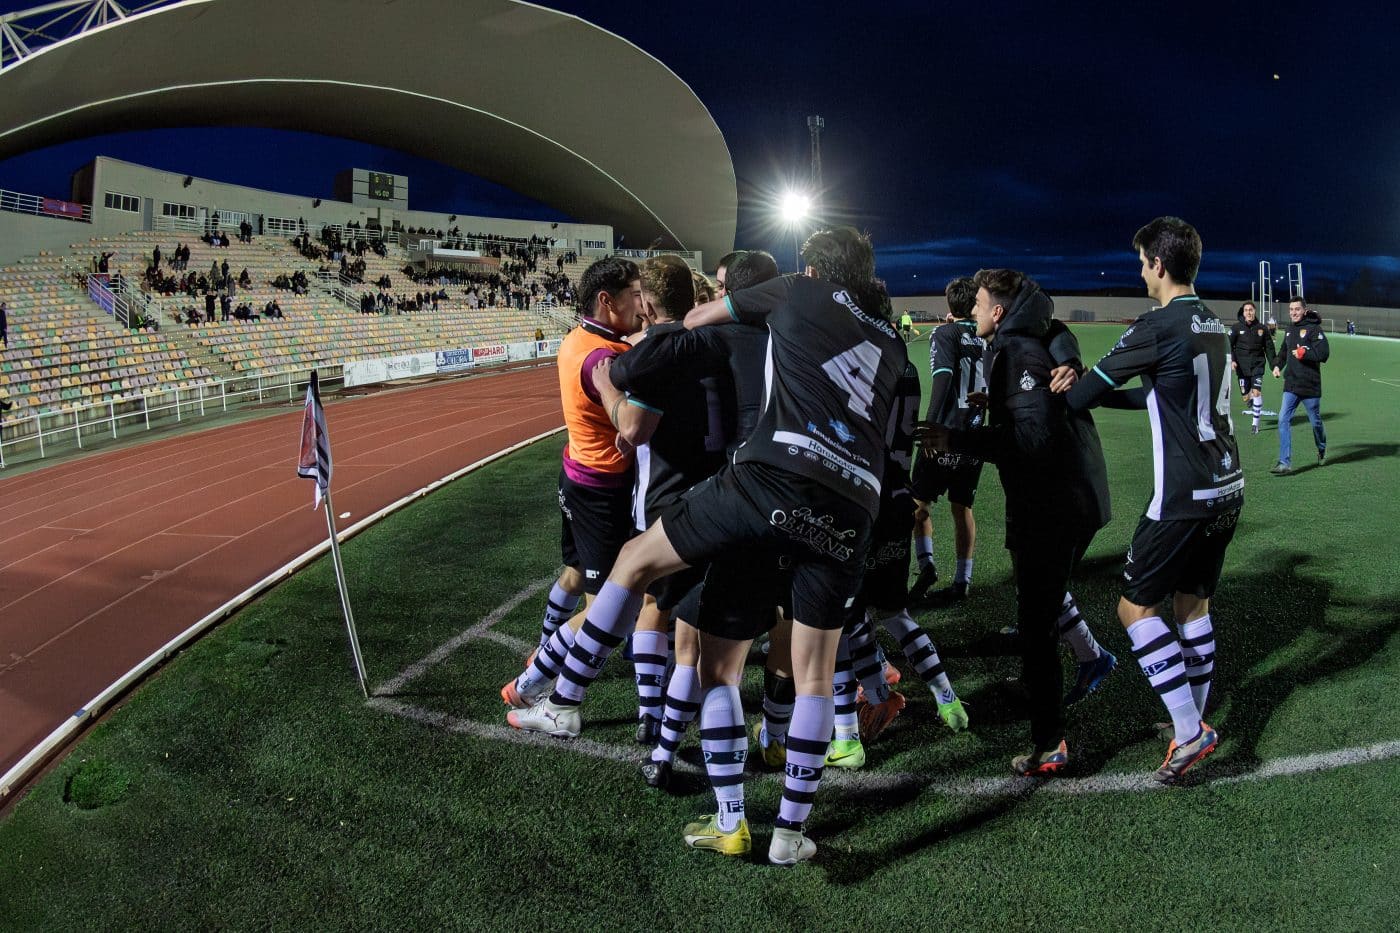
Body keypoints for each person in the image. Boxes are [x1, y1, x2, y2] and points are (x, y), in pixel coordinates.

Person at [505, 227, 907, 865]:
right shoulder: (891, 340)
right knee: (813, 677)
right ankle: (790, 834)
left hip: (773, 477)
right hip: (854, 507)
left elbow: (698, 317)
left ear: (812, 268)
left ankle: (565, 698)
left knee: (640, 571)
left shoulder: (797, 294)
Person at [1063, 216, 1241, 784]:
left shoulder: (1157, 324)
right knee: (1194, 605)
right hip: (1228, 486)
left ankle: (1190, 732)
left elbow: (1084, 394)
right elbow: (1159, 394)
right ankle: (1192, 714)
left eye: (1142, 262)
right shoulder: (1215, 322)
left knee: (1133, 609)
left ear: (1158, 265)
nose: (1140, 272)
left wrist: (1073, 383)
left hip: (1183, 497)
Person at [922, 269, 1111, 776]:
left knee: (1035, 627)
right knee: (1041, 608)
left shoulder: (1018, 352)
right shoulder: (1022, 341)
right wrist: (1003, 408)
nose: (975, 311)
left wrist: (957, 440)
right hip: (1070, 501)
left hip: (1053, 508)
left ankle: (1050, 743)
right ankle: (1088, 662)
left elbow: (1031, 443)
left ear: (999, 312)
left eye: (981, 303)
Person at [500, 258, 644, 706]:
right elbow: (634, 425)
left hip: (575, 475)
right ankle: (538, 689)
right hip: (602, 489)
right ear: (607, 300)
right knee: (604, 607)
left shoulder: (576, 339)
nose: (642, 306)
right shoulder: (606, 360)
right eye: (635, 296)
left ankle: (543, 645)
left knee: (574, 572)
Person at [909, 276, 985, 604]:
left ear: (950, 303)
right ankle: (962, 581)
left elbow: (944, 377)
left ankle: (926, 565)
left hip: (945, 433)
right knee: (962, 507)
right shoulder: (988, 338)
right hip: (976, 435)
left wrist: (931, 425)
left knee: (917, 504)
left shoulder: (945, 332)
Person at [1269, 297, 1330, 475]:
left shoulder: (1314, 329)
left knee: (1315, 422)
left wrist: (1305, 352)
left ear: (1304, 310)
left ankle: (1321, 448)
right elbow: (1283, 353)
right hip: (1291, 385)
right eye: (1291, 309)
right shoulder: (1289, 330)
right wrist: (1277, 366)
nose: (1293, 312)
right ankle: (1284, 463)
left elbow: (1324, 353)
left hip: (1310, 386)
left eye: (1297, 309)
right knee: (1283, 419)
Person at [1228, 301, 1276, 435]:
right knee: (1245, 397)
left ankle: (1255, 424)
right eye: (1246, 310)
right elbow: (1229, 346)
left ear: (1255, 311)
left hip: (1257, 365)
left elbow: (1269, 348)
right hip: (1241, 368)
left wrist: (1275, 365)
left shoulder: (1262, 328)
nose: (1249, 312)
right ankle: (1249, 400)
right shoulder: (1236, 328)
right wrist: (1232, 361)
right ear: (1243, 313)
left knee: (1256, 392)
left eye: (1251, 310)